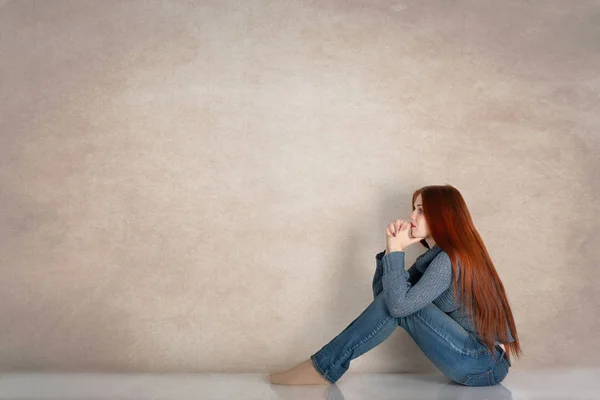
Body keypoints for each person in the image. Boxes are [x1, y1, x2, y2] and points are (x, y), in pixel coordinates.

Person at [269, 184, 522, 386]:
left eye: (421, 210)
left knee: (404, 305)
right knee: (399, 303)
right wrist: (391, 248)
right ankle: (322, 367)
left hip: (485, 364)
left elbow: (397, 305)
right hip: (471, 360)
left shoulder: (450, 260)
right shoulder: (434, 258)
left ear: (443, 216)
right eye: (414, 209)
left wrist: (397, 253)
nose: (411, 217)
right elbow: (385, 299)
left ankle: (321, 368)